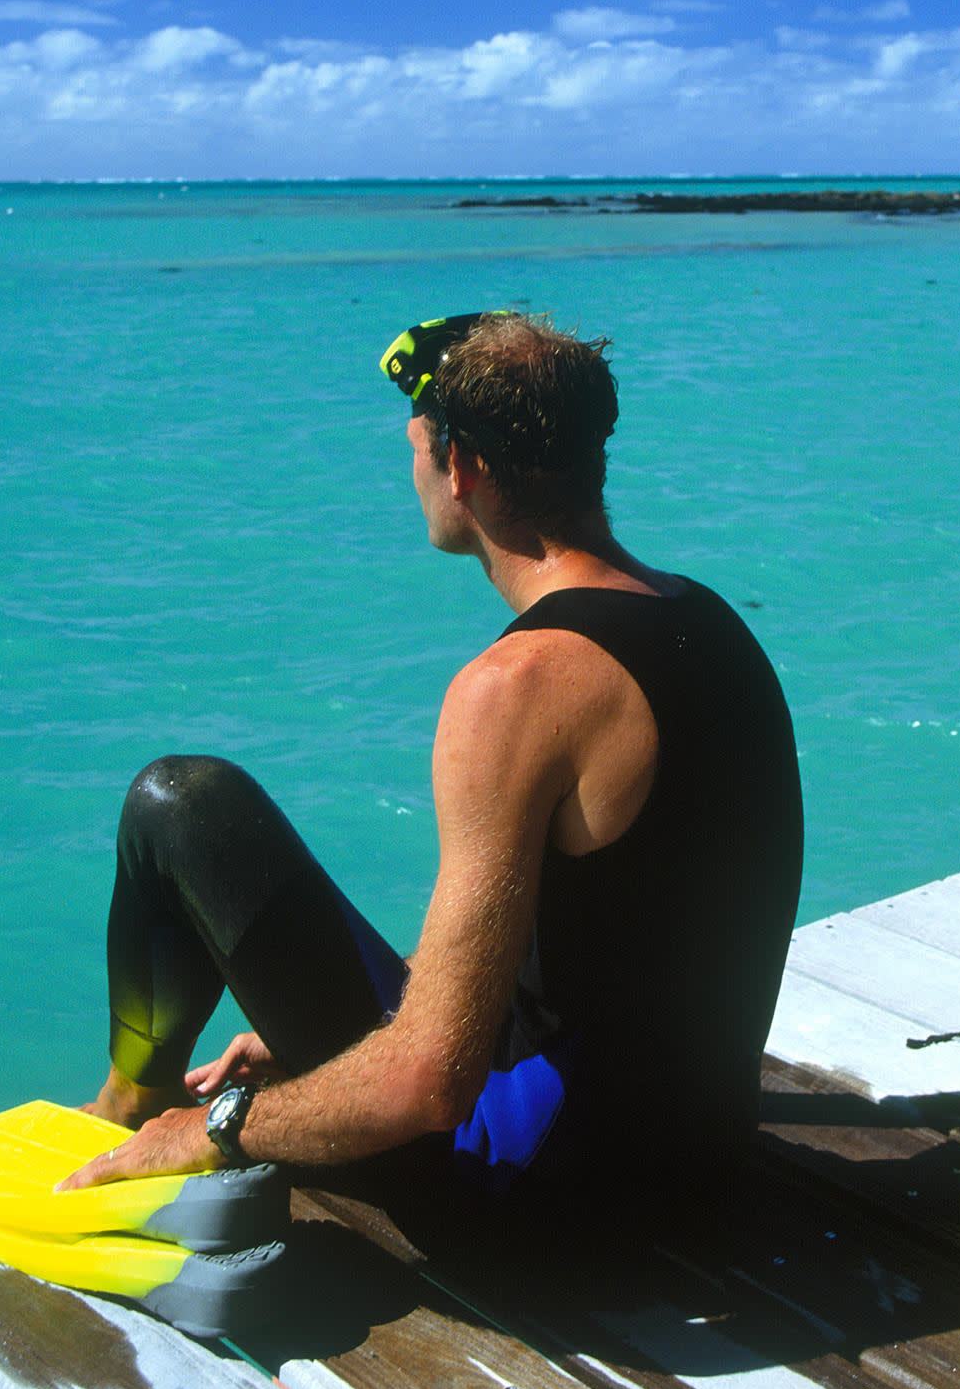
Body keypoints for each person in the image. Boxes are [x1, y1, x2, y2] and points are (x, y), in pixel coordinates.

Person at [59, 309, 803, 1227]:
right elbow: (614, 946)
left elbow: (427, 1087)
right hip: (695, 1164)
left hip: (545, 1208)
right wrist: (322, 1058)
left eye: (417, 445)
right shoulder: (709, 622)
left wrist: (217, 1126)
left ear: (463, 468)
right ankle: (146, 1105)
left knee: (181, 804)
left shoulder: (516, 688)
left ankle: (128, 1113)